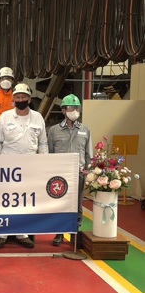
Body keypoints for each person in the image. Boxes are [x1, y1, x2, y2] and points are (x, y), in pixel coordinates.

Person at [0, 83, 48, 249]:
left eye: (24, 97)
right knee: (5, 200)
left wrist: (44, 164)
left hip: (30, 166)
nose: (21, 100)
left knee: (24, 200)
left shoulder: (38, 117)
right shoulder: (5, 117)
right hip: (8, 166)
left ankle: (22, 234)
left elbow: (43, 143)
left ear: (29, 99)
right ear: (13, 99)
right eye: (18, 97)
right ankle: (2, 234)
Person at [48, 94, 92, 246]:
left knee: (78, 205)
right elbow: (50, 152)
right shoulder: (54, 131)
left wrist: (88, 172)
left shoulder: (85, 130)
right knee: (60, 204)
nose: (75, 111)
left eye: (77, 108)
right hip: (60, 175)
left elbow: (88, 154)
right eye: (71, 108)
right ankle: (59, 233)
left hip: (79, 173)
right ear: (63, 111)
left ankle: (75, 232)